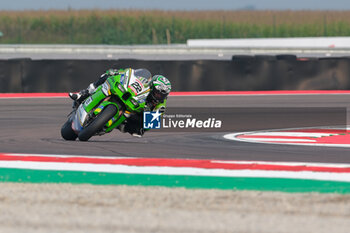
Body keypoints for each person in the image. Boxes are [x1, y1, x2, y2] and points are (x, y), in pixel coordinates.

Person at [69, 68, 171, 137]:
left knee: (138, 129)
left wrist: (149, 115)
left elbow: (152, 123)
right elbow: (128, 73)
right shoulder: (144, 82)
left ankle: (119, 124)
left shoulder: (161, 104)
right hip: (129, 96)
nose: (159, 96)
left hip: (135, 112)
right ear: (151, 87)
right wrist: (117, 72)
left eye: (162, 95)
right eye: (158, 93)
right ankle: (85, 93)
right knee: (107, 75)